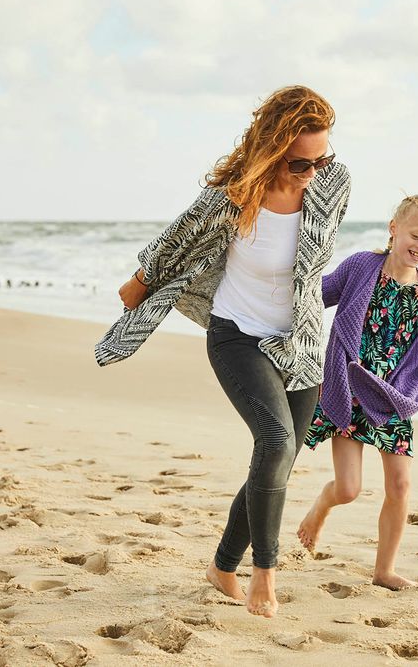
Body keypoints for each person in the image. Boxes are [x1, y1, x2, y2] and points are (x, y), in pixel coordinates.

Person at [94, 85, 351, 618]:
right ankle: (264, 574)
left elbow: (312, 265)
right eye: (301, 162)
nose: (313, 172)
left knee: (277, 460)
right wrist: (141, 280)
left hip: (300, 342)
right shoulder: (233, 197)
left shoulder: (333, 183)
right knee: (277, 439)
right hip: (237, 333)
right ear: (274, 148)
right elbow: (179, 237)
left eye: (321, 158)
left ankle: (221, 566)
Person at [295, 195, 418, 590]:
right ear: (394, 228)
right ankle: (320, 508)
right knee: (348, 489)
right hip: (348, 392)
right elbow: (313, 298)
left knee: (399, 486)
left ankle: (384, 570)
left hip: (392, 399)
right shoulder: (361, 267)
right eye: (417, 235)